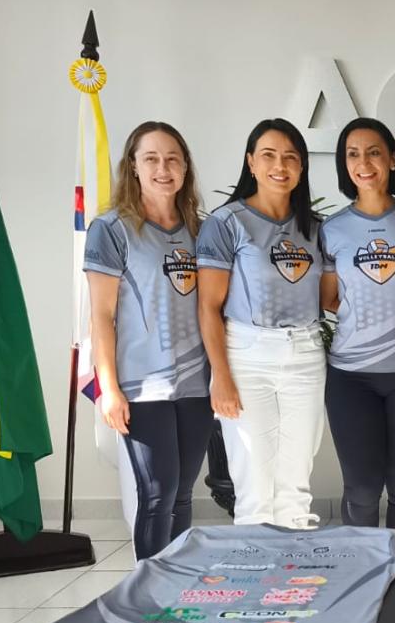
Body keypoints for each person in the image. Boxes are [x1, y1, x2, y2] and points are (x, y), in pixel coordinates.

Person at [84, 121, 211, 559]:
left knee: (183, 495)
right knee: (158, 494)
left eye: (173, 159)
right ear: (133, 167)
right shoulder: (111, 230)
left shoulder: (201, 229)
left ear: (185, 168)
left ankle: (176, 585)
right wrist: (109, 389)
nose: (163, 168)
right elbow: (101, 316)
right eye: (151, 159)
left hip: (196, 384)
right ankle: (148, 590)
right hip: (142, 386)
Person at [196, 119, 330, 528]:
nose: (280, 165)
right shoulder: (226, 223)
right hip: (247, 356)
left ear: (302, 167)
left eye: (290, 157)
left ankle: (293, 565)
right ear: (251, 163)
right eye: (268, 155)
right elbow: (209, 306)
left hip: (305, 355)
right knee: (253, 483)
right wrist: (220, 376)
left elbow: (329, 298)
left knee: (295, 483)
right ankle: (255, 564)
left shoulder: (315, 228)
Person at [320, 117, 395, 532]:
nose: (363, 163)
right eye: (353, 154)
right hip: (351, 377)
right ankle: (363, 563)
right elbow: (329, 298)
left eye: (373, 152)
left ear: (392, 160)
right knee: (362, 489)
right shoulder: (332, 229)